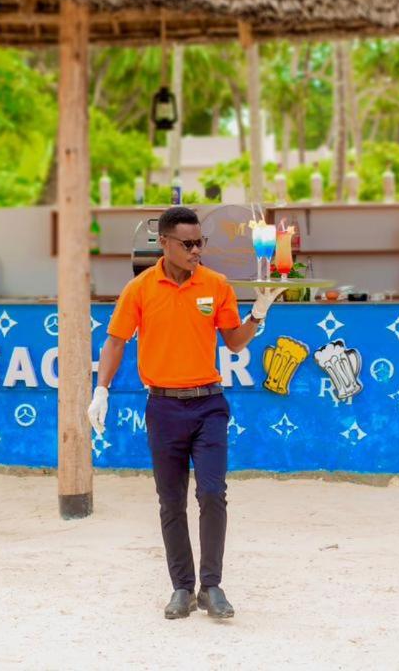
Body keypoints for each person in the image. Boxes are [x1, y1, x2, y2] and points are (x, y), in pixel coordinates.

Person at [87, 205, 283, 620]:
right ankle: (182, 587)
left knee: (212, 493)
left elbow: (234, 342)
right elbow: (116, 340)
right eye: (188, 244)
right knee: (170, 501)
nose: (196, 251)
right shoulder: (140, 289)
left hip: (209, 404)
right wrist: (101, 390)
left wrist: (258, 315)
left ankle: (211, 586)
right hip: (162, 407)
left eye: (200, 243)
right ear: (165, 242)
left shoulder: (216, 284)